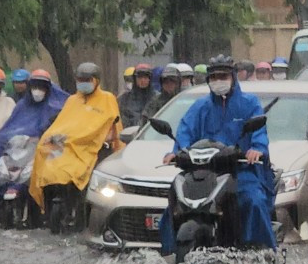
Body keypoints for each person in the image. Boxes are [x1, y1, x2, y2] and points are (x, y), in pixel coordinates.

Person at [159, 55, 275, 253]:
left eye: (223, 76)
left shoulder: (249, 103)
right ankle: (168, 254)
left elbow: (259, 132)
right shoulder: (200, 107)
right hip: (204, 172)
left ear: (233, 77)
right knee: (174, 207)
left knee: (253, 201)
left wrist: (256, 149)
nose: (218, 81)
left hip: (240, 171)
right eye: (214, 77)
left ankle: (265, 253)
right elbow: (185, 131)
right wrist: (177, 152)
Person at [29, 62, 124, 217]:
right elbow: (64, 124)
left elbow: (112, 124)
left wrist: (95, 138)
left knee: (79, 169)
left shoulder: (107, 98)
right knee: (44, 152)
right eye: (80, 80)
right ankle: (49, 199)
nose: (83, 83)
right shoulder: (72, 100)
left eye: (87, 80)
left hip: (92, 146)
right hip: (68, 145)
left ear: (96, 81)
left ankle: (79, 207)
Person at [0, 69, 69, 209]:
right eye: (35, 87)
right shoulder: (22, 105)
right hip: (19, 144)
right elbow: (11, 126)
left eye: (41, 87)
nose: (37, 91)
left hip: (44, 147)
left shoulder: (56, 106)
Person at [118, 63, 155, 128]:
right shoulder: (124, 99)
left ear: (150, 79)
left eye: (145, 77)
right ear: (135, 79)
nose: (143, 80)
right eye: (140, 77)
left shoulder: (156, 99)